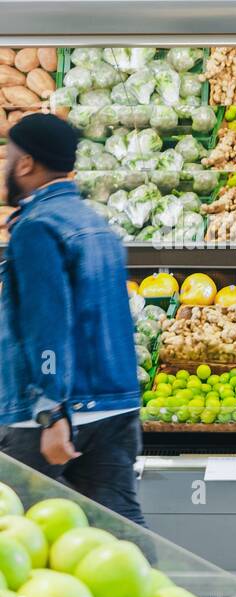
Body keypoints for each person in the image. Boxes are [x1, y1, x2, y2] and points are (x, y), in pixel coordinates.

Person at [0, 114, 145, 526]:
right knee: (119, 528)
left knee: (15, 530)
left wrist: (51, 410)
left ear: (26, 163)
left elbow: (48, 324)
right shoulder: (96, 224)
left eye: (7, 156)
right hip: (114, 408)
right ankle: (154, 590)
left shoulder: (36, 228)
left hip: (51, 415)